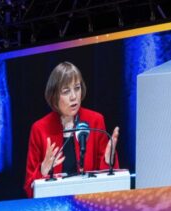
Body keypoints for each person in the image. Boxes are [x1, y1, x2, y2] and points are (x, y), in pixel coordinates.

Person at [24, 61, 120, 198]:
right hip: (53, 208)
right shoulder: (39, 129)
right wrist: (42, 171)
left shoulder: (95, 121)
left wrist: (108, 160)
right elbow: (29, 189)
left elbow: (108, 184)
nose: (74, 96)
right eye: (66, 91)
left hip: (89, 204)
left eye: (77, 88)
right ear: (54, 96)